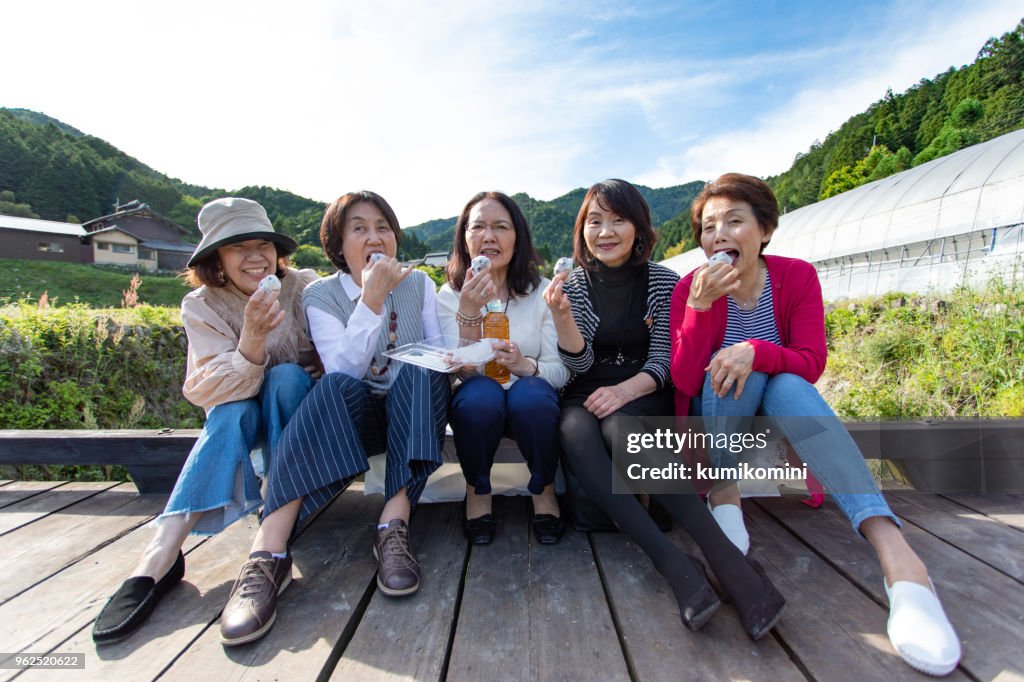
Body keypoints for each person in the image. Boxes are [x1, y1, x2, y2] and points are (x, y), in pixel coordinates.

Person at [670, 172, 961, 675]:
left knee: (785, 383)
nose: (718, 234)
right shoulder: (689, 289)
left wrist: (754, 350)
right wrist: (699, 309)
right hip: (717, 417)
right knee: (732, 373)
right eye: (708, 226)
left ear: (764, 229)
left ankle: (899, 559)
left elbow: (811, 361)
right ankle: (724, 492)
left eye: (733, 221)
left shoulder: (796, 276)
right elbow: (684, 377)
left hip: (783, 407)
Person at [545, 178, 786, 639]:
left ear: (639, 228)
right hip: (587, 389)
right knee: (574, 428)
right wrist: (561, 319)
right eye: (595, 221)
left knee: (621, 429)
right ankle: (674, 563)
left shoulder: (661, 280)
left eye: (619, 220)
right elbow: (579, 365)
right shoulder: (571, 284)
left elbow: (666, 360)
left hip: (644, 387)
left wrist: (625, 391)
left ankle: (726, 563)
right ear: (582, 230)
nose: (606, 231)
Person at [217, 191, 450, 646]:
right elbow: (344, 369)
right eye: (359, 228)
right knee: (334, 384)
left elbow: (437, 350)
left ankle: (393, 525)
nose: (375, 237)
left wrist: (455, 357)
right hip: (360, 416)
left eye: (383, 227)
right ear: (338, 245)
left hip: (415, 409)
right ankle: (269, 551)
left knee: (423, 371)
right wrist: (372, 299)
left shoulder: (420, 282)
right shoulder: (320, 294)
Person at [92, 197, 319, 644]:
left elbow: (337, 351)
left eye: (263, 245)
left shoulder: (303, 286)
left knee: (289, 377)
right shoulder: (202, 305)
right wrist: (252, 338)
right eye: (238, 248)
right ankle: (161, 553)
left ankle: (275, 517)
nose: (255, 257)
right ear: (217, 258)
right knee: (232, 410)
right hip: (243, 417)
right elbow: (204, 389)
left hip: (299, 422)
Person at [437, 192, 569, 545]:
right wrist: (468, 311)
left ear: (518, 237)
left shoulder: (542, 293)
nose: (489, 236)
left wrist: (526, 366)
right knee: (479, 394)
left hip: (530, 402)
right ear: (464, 237)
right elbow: (457, 372)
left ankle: (543, 488)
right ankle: (478, 490)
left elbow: (562, 371)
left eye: (500, 227)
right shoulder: (449, 295)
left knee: (533, 395)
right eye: (478, 226)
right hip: (480, 402)